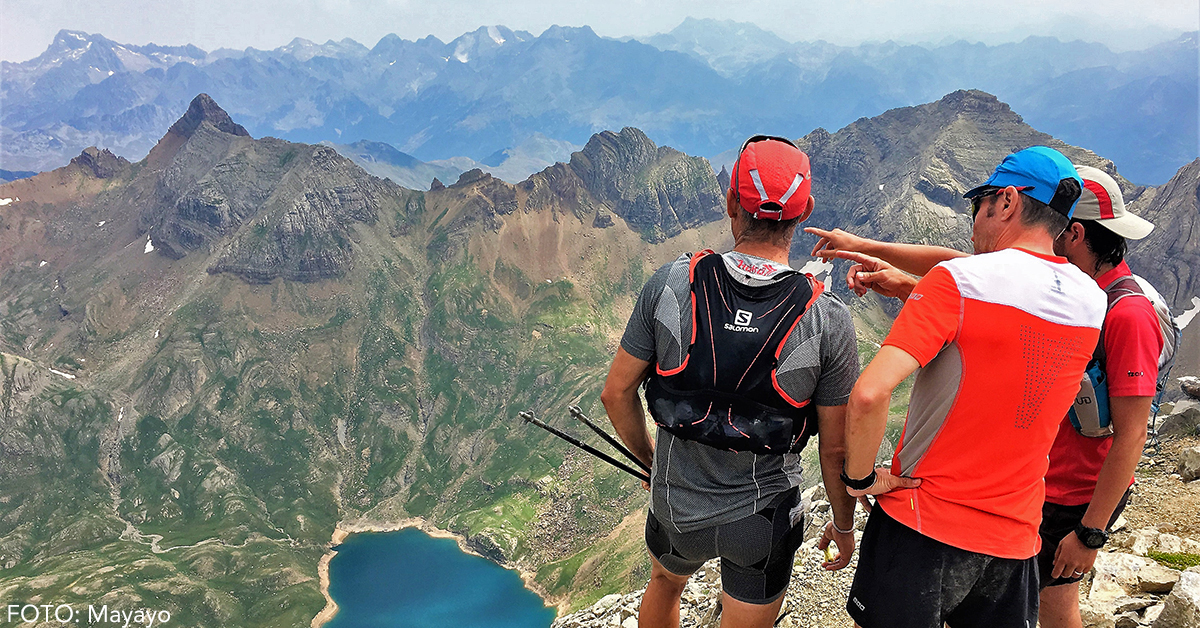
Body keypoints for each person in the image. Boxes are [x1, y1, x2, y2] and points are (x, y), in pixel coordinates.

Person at [807, 165, 1172, 628]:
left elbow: (870, 393)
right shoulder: (1090, 300)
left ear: (1008, 203)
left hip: (937, 519)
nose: (974, 220)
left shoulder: (967, 284)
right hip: (1016, 531)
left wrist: (859, 481)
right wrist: (899, 275)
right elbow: (996, 312)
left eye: (980, 204)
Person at [601, 135, 863, 628]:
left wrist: (652, 464)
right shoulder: (829, 320)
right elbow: (834, 449)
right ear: (804, 213)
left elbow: (615, 393)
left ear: (730, 203)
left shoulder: (671, 284)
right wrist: (845, 525)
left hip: (676, 501)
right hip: (762, 517)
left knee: (664, 585)